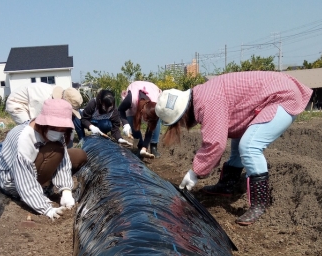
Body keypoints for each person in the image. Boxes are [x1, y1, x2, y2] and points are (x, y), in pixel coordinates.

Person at [155, 71, 312, 226]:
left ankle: (260, 203)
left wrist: (195, 172)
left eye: (179, 122)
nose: (183, 126)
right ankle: (228, 184)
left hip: (282, 97)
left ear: (182, 114)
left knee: (249, 146)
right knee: (239, 139)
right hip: (275, 93)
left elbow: (215, 143)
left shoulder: (207, 101)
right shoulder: (202, 95)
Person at [0, 99, 88, 220]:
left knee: (78, 155)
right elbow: (22, 177)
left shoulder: (52, 132)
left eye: (63, 130)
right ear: (44, 123)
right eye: (56, 128)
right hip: (13, 181)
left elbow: (63, 160)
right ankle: (42, 190)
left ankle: (46, 185)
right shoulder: (24, 138)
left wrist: (66, 190)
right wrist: (46, 208)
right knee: (54, 151)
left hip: (35, 167)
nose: (59, 133)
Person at [5, 83, 84, 141]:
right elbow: (38, 119)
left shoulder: (56, 96)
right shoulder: (45, 99)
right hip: (17, 103)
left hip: (30, 102)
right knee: (32, 131)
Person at [118, 81, 163, 158]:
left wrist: (145, 148)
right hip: (135, 90)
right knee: (131, 120)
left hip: (152, 89)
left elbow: (150, 129)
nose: (147, 122)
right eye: (147, 119)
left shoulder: (156, 103)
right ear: (142, 112)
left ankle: (153, 146)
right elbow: (120, 110)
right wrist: (125, 124)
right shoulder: (131, 99)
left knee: (156, 121)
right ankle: (139, 145)